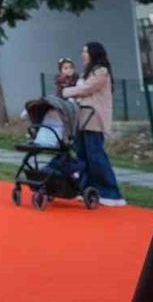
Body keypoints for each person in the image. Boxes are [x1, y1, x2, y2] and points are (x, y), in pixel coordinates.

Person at [61, 42, 126, 207]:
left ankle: (111, 193)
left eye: (85, 51)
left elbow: (86, 89)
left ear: (93, 53)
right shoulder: (87, 72)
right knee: (82, 156)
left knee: (96, 156)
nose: (83, 54)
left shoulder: (101, 72)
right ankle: (87, 189)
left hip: (94, 120)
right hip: (82, 119)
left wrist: (66, 91)